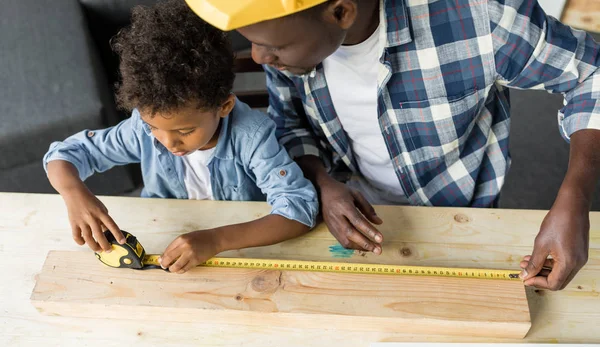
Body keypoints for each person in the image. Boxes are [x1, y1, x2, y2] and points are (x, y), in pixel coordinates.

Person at [187, 0, 600, 290]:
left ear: (340, 11)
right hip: (340, 218)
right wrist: (322, 182)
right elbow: (290, 122)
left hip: (460, 214)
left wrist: (574, 197)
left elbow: (591, 75)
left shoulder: (481, 16)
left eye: (274, 47)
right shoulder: (290, 44)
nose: (259, 58)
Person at [43, 0, 318, 274]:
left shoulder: (252, 136)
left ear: (224, 106)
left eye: (185, 131)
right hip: (164, 234)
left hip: (240, 248)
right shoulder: (141, 127)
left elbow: (299, 209)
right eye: (153, 127)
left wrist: (216, 239)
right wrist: (73, 193)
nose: (168, 142)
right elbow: (65, 154)